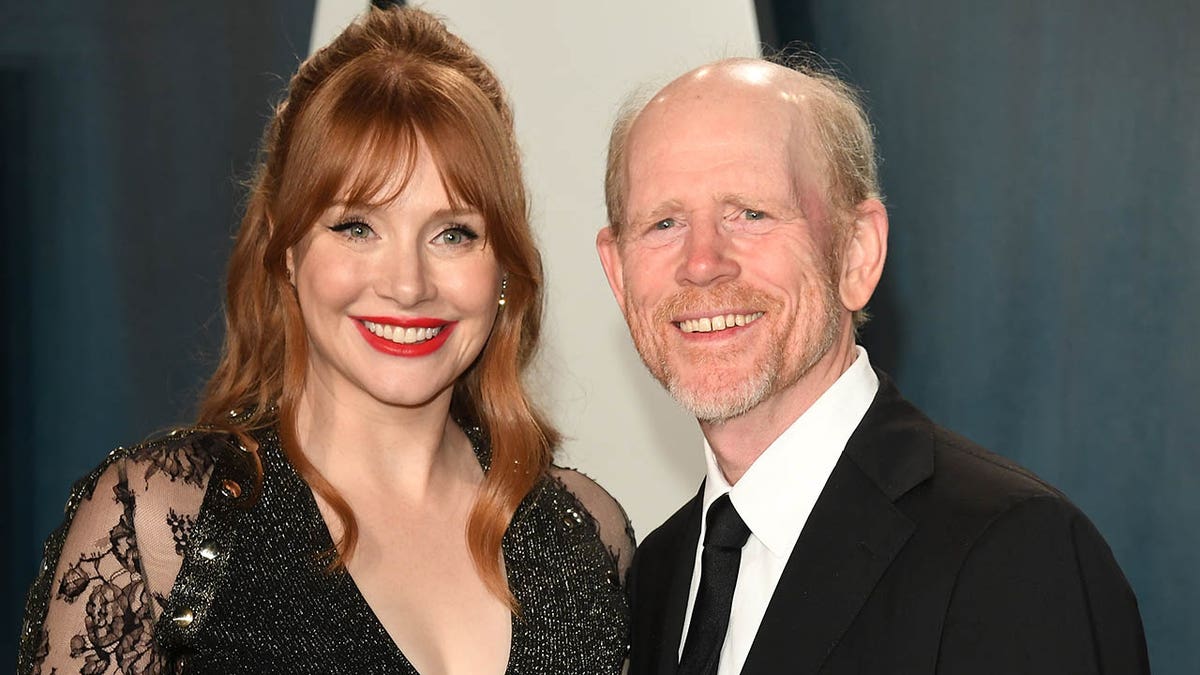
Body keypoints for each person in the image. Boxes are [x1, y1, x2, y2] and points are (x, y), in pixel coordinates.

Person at [19, 7, 632, 674]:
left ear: (505, 266)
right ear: (286, 251)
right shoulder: (162, 523)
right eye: (356, 227)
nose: (407, 284)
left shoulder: (586, 535)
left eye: (454, 232)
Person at [596, 57, 1149, 674]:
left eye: (751, 214)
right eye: (664, 223)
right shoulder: (657, 576)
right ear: (617, 274)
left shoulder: (1014, 553)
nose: (702, 262)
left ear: (857, 253)